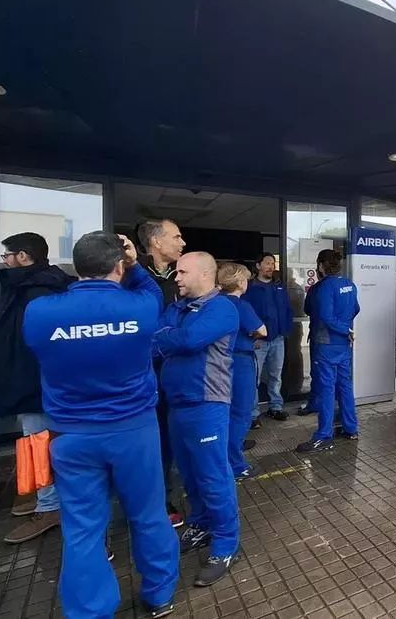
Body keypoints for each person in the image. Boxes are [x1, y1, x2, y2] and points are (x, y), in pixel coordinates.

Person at [22, 233, 179, 616]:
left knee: (82, 528)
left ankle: (91, 610)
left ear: (77, 266)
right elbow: (150, 289)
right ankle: (159, 594)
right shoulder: (141, 305)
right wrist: (135, 262)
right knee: (148, 515)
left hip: (71, 435)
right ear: (119, 264)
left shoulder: (40, 312)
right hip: (134, 429)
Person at [0, 232, 73, 543]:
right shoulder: (34, 286)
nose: (4, 262)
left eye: (8, 255)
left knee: (39, 443)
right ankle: (47, 500)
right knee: (39, 444)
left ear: (23, 257)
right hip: (33, 382)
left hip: (35, 384)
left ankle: (50, 507)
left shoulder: (38, 290)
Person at [154, 251, 240, 586]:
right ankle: (201, 525)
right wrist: (167, 338)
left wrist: (166, 338)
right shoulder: (177, 307)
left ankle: (225, 544)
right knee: (189, 476)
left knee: (213, 478)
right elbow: (155, 339)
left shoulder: (222, 307)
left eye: (182, 272)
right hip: (176, 405)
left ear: (205, 274)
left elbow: (188, 340)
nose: (176, 277)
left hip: (207, 405)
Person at [138, 218, 188, 528]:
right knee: (145, 439)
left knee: (168, 437)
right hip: (143, 373)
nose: (182, 243)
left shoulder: (179, 277)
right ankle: (147, 502)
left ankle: (164, 496)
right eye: (177, 236)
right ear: (156, 242)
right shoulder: (134, 277)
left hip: (174, 371)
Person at [296, 250, 360, 453]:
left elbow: (324, 316)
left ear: (322, 266)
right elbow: (356, 309)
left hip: (326, 344)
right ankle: (351, 429)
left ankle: (324, 435)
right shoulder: (349, 284)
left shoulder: (322, 288)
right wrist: (347, 328)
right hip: (343, 344)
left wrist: (343, 328)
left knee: (326, 389)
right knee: (345, 386)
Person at [217, 262, 267, 480]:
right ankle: (236, 465)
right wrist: (250, 337)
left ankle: (221, 458)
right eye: (245, 279)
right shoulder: (241, 305)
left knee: (223, 413)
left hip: (217, 364)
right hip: (240, 362)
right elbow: (262, 331)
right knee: (240, 413)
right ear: (239, 282)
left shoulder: (214, 303)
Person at [244, 253, 292, 423]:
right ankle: (252, 414)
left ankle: (276, 407)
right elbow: (245, 314)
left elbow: (287, 311)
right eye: (267, 263)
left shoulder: (279, 288)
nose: (271, 267)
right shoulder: (249, 289)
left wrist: (284, 331)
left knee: (275, 376)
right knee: (254, 378)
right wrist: (252, 336)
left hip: (277, 339)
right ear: (258, 266)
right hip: (258, 341)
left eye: (273, 263)